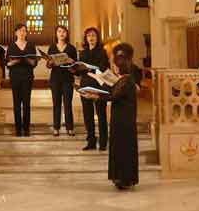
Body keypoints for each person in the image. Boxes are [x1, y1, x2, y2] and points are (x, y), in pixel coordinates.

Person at [81, 43, 139, 190]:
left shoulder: (127, 81)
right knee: (118, 149)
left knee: (124, 150)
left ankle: (125, 178)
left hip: (124, 121)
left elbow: (113, 96)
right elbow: (112, 91)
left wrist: (94, 96)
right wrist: (100, 84)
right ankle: (120, 178)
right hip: (119, 119)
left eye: (114, 66)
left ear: (119, 67)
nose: (113, 68)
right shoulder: (122, 80)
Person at [78, 27, 110, 151]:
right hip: (85, 85)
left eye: (93, 35)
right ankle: (91, 141)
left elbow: (103, 68)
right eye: (89, 36)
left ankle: (103, 142)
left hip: (98, 85)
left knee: (101, 114)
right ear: (86, 38)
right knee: (87, 115)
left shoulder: (102, 52)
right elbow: (80, 70)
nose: (91, 38)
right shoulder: (83, 53)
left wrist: (89, 70)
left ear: (97, 38)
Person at [5, 23, 37, 137]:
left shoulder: (31, 45)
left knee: (26, 103)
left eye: (24, 31)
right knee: (17, 103)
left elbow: (34, 63)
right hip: (15, 77)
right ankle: (18, 129)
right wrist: (13, 62)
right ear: (16, 33)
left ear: (26, 33)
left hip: (27, 76)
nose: (22, 33)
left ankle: (26, 129)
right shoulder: (11, 46)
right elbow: (7, 63)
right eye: (20, 31)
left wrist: (29, 60)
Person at [46, 25, 77, 136]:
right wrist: (50, 62)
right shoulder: (52, 47)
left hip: (68, 79)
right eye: (59, 31)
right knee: (56, 103)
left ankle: (70, 127)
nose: (62, 33)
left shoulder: (71, 48)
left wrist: (71, 61)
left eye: (64, 31)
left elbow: (76, 66)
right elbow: (48, 65)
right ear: (56, 34)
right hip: (55, 79)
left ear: (67, 34)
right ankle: (56, 127)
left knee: (68, 103)